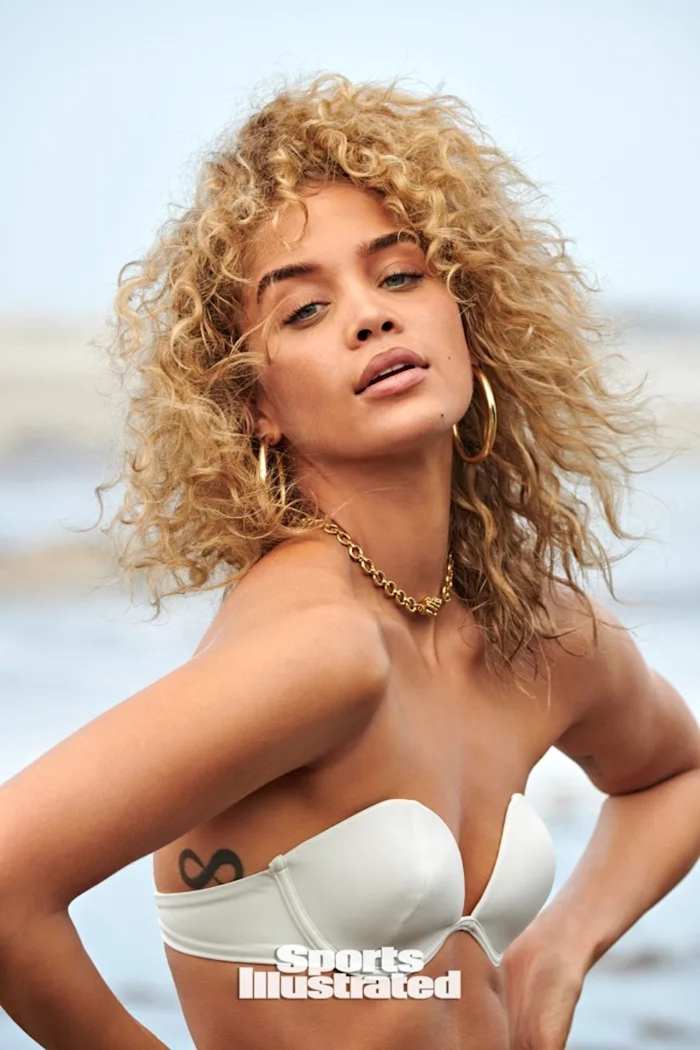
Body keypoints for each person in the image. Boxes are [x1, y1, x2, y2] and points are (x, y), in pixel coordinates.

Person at [1, 71, 699, 1050]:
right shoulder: (319, 650)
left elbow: (675, 774)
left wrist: (557, 951)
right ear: (256, 406)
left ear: (468, 316)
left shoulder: (528, 627)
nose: (369, 317)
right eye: (302, 312)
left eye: (400, 275)